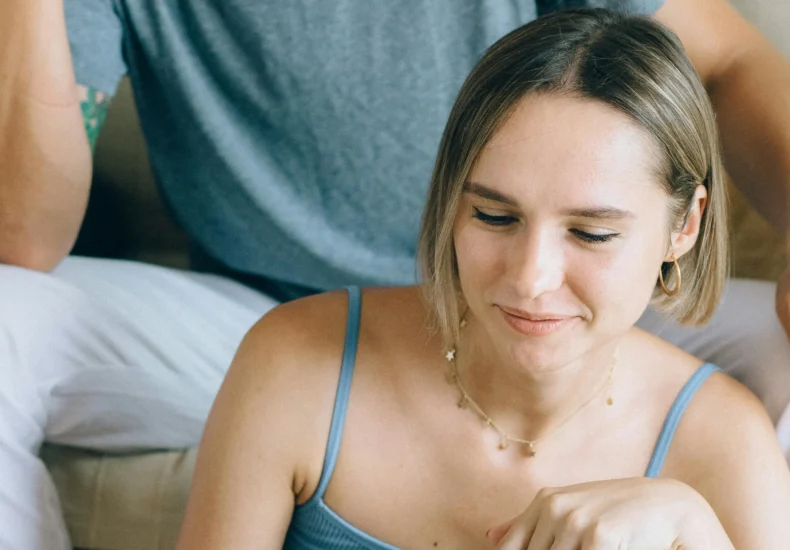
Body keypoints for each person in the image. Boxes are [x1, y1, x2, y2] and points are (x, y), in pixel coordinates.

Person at [1, 0, 790, 548]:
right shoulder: (288, 360)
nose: (532, 274)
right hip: (256, 310)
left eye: (590, 231)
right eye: (490, 211)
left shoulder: (723, 437)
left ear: (684, 224)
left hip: (607, 311)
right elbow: (23, 235)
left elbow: (728, 57)